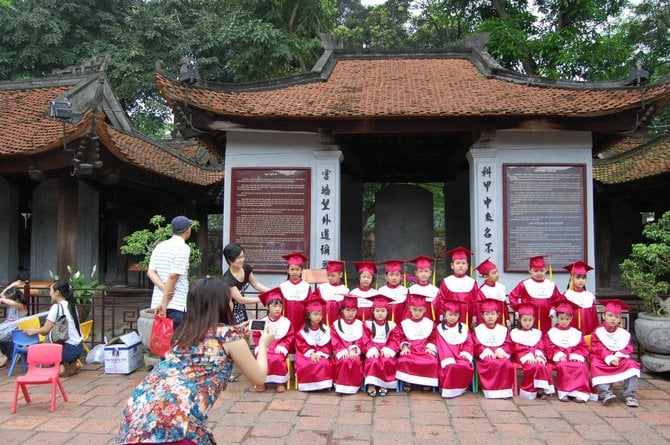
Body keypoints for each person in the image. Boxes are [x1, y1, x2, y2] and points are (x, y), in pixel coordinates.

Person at [117, 277, 275, 445]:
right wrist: (264, 344)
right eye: (230, 301)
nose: (232, 305)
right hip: (175, 423)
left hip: (138, 414)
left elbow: (211, 341)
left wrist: (236, 334)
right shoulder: (229, 336)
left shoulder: (183, 333)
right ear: (220, 305)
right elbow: (259, 378)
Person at [23, 280, 84, 376]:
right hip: (79, 348)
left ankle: (60, 367)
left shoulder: (56, 307)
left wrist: (33, 331)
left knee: (41, 354)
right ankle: (71, 364)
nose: (49, 293)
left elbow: (45, 330)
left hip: (68, 350)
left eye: (50, 290)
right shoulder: (71, 306)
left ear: (57, 292)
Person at [590, 299, 641, 407]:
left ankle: (629, 395)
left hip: (619, 360)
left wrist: (618, 357)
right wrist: (609, 357)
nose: (613, 319)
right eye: (610, 315)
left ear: (619, 319)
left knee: (632, 365)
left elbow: (628, 348)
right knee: (595, 365)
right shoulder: (598, 332)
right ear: (604, 316)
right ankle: (605, 393)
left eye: (616, 316)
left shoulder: (623, 334)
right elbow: (597, 347)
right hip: (602, 359)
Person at [147, 215, 193, 330]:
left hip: (157, 303)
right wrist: (164, 302)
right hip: (175, 304)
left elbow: (151, 272)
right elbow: (173, 276)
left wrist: (163, 289)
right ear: (188, 230)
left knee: (161, 344)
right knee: (177, 344)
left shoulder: (160, 246)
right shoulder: (183, 248)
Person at [545, 300, 591, 403]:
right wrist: (559, 354)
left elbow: (583, 347)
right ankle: (564, 392)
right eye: (561, 318)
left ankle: (579, 392)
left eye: (567, 318)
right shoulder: (552, 332)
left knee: (582, 366)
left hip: (574, 357)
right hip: (560, 359)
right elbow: (549, 346)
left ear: (571, 318)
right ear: (557, 318)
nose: (564, 321)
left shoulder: (576, 333)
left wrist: (577, 355)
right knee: (563, 366)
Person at [509, 302, 554, 400]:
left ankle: (540, 388)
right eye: (524, 320)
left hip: (535, 355)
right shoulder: (515, 333)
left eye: (530, 320)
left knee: (542, 365)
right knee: (532, 366)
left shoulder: (536, 333)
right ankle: (530, 390)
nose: (527, 323)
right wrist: (528, 355)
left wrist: (538, 355)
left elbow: (540, 346)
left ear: (534, 319)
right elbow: (516, 347)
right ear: (519, 320)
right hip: (521, 356)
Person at [509, 255, 562, 335]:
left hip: (546, 317)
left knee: (545, 336)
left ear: (546, 270)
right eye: (536, 271)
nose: (539, 273)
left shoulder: (551, 284)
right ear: (530, 270)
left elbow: (558, 298)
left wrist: (553, 309)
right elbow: (513, 296)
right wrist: (518, 310)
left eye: (542, 270)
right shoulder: (524, 284)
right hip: (529, 318)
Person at [472, 298, 515, 399]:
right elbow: (476, 345)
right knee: (491, 363)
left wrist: (501, 351)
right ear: (482, 315)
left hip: (500, 354)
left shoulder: (503, 329)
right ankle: (491, 392)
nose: (490, 317)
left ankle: (505, 392)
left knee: (506, 363)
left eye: (492, 314)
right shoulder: (478, 330)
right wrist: (486, 351)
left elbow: (508, 343)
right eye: (487, 314)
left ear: (498, 315)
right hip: (486, 356)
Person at [252, 287, 292, 393]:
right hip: (265, 348)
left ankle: (280, 382)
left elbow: (290, 337)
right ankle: (262, 381)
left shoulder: (286, 322)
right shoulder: (261, 322)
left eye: (280, 306)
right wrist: (260, 347)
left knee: (277, 358)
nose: (278, 309)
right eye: (274, 306)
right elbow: (256, 336)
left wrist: (283, 346)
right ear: (267, 307)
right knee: (263, 358)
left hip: (278, 347)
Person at [395, 294, 439, 391]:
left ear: (424, 310)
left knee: (432, 361)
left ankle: (426, 381)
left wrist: (430, 348)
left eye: (420, 310)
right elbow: (400, 337)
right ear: (410, 309)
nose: (417, 313)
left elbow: (433, 337)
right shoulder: (404, 324)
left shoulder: (430, 323)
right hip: (411, 350)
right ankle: (408, 381)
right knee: (404, 360)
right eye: (414, 309)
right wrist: (405, 347)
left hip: (424, 350)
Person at [222, 242, 270, 325]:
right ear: (230, 260)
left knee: (244, 330)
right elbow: (241, 299)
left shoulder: (246, 268)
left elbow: (255, 284)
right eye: (238, 258)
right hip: (231, 310)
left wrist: (270, 291)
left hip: (241, 308)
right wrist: (263, 299)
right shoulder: (227, 280)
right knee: (235, 332)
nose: (242, 260)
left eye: (243, 256)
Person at [435, 299, 474, 399]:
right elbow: (441, 346)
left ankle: (460, 388)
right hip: (446, 357)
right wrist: (448, 358)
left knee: (464, 365)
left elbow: (469, 342)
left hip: (461, 355)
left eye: (455, 315)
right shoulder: (440, 328)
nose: (453, 318)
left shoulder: (464, 328)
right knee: (451, 366)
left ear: (459, 316)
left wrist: (466, 353)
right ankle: (447, 389)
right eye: (450, 314)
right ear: (445, 314)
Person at [363, 295, 399, 397]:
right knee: (373, 360)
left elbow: (395, 339)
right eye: (377, 311)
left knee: (386, 360)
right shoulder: (367, 324)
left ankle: (384, 384)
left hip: (386, 349)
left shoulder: (392, 325)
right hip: (373, 349)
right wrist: (372, 349)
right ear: (373, 311)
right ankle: (371, 384)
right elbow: (365, 339)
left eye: (383, 311)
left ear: (387, 312)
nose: (380, 314)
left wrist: (389, 349)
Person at [294, 296, 333, 392]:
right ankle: (308, 386)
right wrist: (311, 353)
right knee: (305, 365)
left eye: (320, 314)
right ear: (308, 315)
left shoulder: (326, 330)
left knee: (323, 363)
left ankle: (323, 385)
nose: (318, 317)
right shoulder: (302, 331)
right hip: (306, 355)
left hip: (320, 354)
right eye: (315, 314)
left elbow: (328, 346)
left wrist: (319, 353)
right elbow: (301, 345)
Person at [330, 295, 367, 394]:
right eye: (347, 310)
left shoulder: (360, 324)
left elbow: (363, 340)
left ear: (357, 311)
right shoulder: (336, 324)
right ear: (342, 310)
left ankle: (353, 387)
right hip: (341, 353)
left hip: (355, 353)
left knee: (354, 360)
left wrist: (355, 350)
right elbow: (335, 342)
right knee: (345, 360)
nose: (350, 313)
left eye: (353, 310)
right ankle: (341, 385)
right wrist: (343, 352)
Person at [437, 247, 481, 327]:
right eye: (457, 263)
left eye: (463, 263)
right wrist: (442, 316)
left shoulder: (472, 283)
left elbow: (476, 302)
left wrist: (475, 318)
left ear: (467, 266)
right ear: (452, 265)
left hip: (468, 316)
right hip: (451, 317)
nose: (461, 266)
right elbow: (442, 301)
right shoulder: (446, 282)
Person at [279, 252, 312, 336]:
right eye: (292, 269)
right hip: (287, 317)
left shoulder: (306, 286)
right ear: (288, 270)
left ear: (301, 271)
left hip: (302, 319)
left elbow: (309, 304)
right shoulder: (283, 286)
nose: (295, 272)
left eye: (297, 269)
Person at [562, 261, 599, 335]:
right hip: (571, 333)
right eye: (578, 277)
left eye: (583, 277)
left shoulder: (590, 297)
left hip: (587, 331)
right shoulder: (567, 295)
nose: (581, 280)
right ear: (572, 278)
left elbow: (594, 320)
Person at [0, 280, 28, 367]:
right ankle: (1, 355)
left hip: (15, 329)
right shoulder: (14, 303)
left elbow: (9, 301)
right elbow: (2, 295)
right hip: (6, 326)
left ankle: (2, 357)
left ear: (16, 299)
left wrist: (2, 299)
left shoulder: (21, 306)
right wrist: (11, 285)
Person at [313, 259, 348, 327]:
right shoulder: (322, 288)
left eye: (332, 276)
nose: (329, 278)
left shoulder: (345, 290)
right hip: (322, 322)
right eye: (328, 275)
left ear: (340, 274)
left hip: (339, 324)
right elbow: (314, 302)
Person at [476, 258, 508, 327]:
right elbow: (480, 311)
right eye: (494, 273)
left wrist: (507, 319)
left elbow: (504, 305)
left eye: (497, 271)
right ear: (486, 276)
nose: (497, 274)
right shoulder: (482, 291)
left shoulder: (501, 287)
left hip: (501, 318)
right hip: (489, 321)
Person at [407, 256, 440, 322]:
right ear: (416, 273)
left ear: (430, 273)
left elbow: (438, 310)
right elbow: (408, 310)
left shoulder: (435, 290)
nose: (423, 274)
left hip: (431, 321)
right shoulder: (411, 290)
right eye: (421, 271)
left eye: (426, 271)